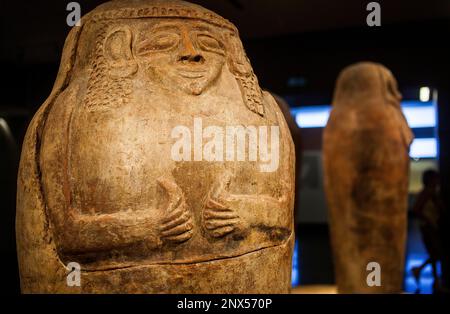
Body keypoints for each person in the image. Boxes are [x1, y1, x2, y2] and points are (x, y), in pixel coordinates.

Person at [411, 169, 443, 292]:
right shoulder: (427, 193)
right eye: (436, 179)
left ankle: (436, 282)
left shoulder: (431, 193)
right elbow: (416, 209)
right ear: (431, 180)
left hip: (429, 225)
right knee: (437, 253)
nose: (438, 181)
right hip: (428, 226)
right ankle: (419, 270)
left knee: (434, 253)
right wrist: (429, 220)